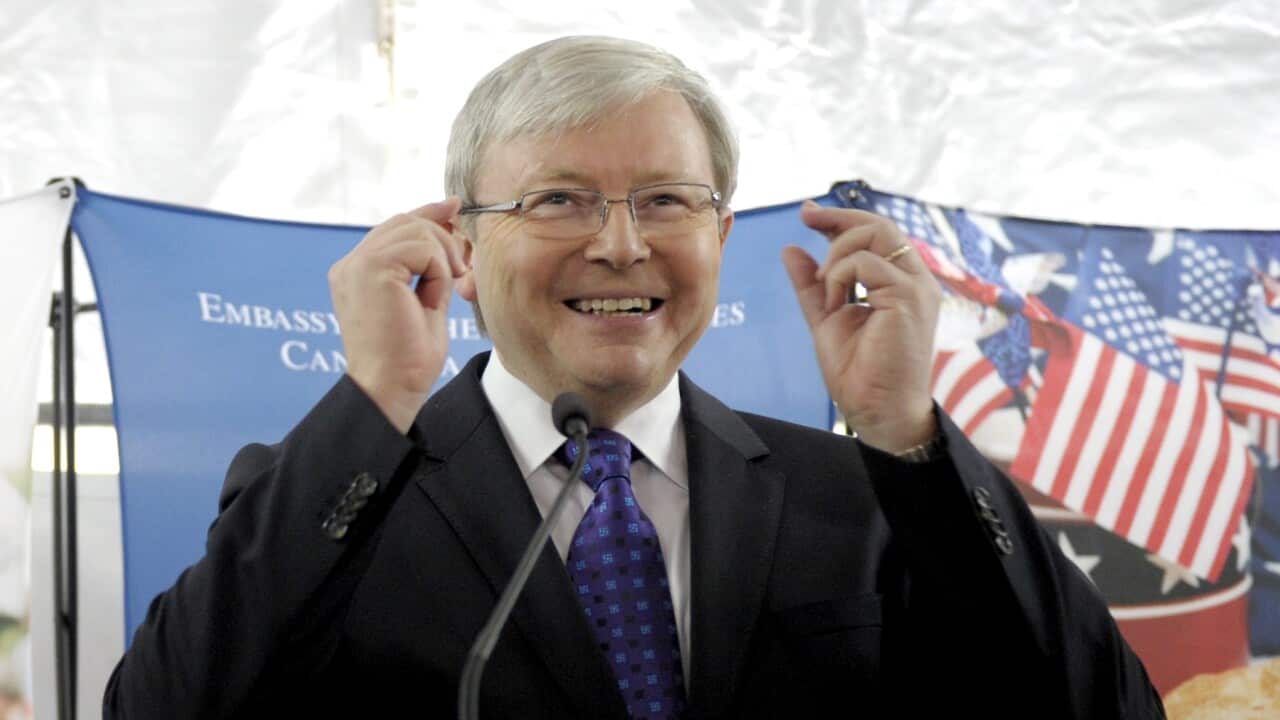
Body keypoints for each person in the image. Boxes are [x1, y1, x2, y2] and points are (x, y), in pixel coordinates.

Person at [103, 35, 1164, 719]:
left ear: (715, 230)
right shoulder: (336, 494)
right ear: (460, 248)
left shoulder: (861, 492)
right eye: (558, 199)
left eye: (665, 199)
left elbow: (1096, 709)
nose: (619, 244)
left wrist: (902, 432)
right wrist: (379, 400)